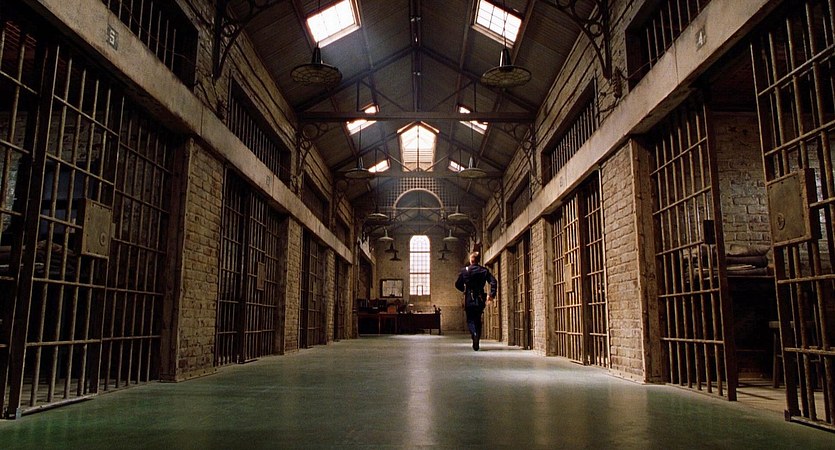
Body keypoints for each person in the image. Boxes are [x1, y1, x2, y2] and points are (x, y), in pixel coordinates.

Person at [455, 251, 497, 351]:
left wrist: (464, 289)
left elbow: (457, 284)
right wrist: (491, 294)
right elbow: (493, 281)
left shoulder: (465, 271)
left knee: (470, 319)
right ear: (478, 260)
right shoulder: (484, 270)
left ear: (471, 260)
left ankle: (474, 334)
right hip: (480, 298)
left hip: (469, 298)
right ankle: (477, 336)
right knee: (478, 319)